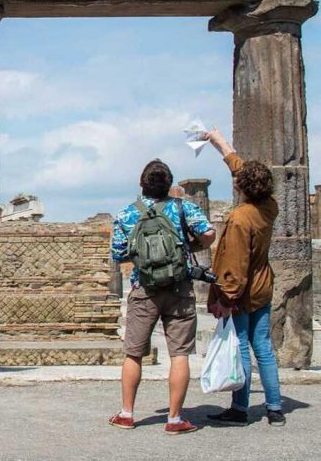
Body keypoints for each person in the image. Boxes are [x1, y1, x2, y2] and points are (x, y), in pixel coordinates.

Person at [109, 158, 215, 434]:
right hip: (179, 288)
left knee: (133, 354)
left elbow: (118, 254)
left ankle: (126, 414)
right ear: (169, 185)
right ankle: (175, 418)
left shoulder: (126, 214)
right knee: (179, 354)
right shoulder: (184, 207)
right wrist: (186, 245)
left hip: (144, 288)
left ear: (141, 185)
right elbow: (209, 235)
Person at [203, 128, 285, 426]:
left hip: (242, 292)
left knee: (239, 347)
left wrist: (226, 297)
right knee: (263, 346)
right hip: (264, 285)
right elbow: (245, 171)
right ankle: (275, 408)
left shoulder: (240, 218)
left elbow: (235, 266)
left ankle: (239, 408)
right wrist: (219, 142)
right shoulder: (270, 205)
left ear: (241, 187)